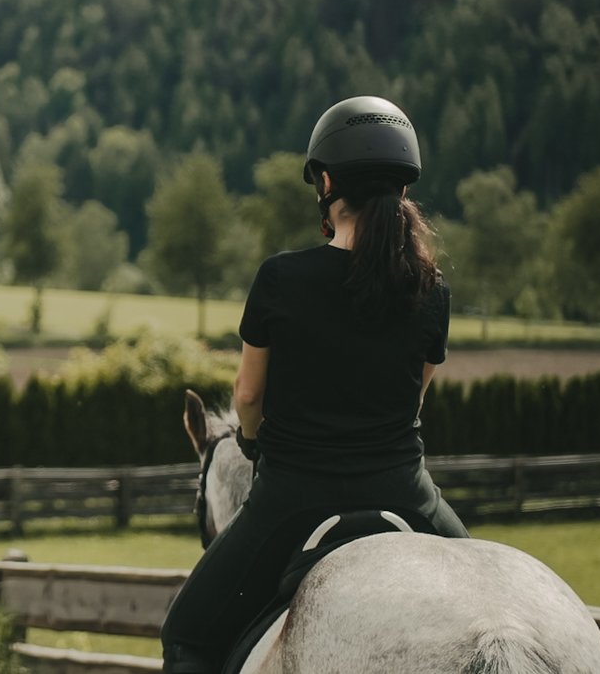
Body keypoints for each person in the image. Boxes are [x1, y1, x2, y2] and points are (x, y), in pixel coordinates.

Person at [159, 96, 471, 672]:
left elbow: (248, 397)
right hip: (405, 492)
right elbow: (415, 398)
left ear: (326, 183)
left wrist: (251, 442)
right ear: (403, 190)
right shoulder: (433, 291)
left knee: (188, 632)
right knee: (486, 598)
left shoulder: (280, 279)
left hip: (293, 498)